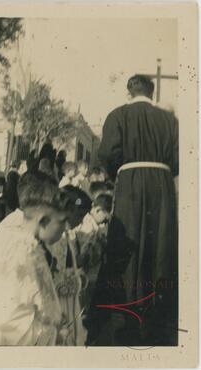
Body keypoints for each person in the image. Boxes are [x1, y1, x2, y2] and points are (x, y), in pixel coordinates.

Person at [96, 74, 179, 346]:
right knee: (160, 246)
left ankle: (126, 317)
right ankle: (158, 317)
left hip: (130, 184)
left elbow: (108, 153)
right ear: (152, 93)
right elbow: (179, 158)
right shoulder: (169, 120)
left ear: (129, 92)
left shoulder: (117, 115)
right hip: (162, 187)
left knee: (127, 245)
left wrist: (117, 172)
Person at [0, 172, 70, 346]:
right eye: (62, 222)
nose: (65, 229)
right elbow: (14, 321)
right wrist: (55, 332)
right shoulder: (22, 251)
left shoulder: (23, 241)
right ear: (43, 220)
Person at [48, 185, 92, 345]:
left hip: (69, 299)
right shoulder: (55, 237)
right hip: (59, 301)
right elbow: (52, 274)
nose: (81, 221)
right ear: (68, 211)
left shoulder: (69, 234)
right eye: (79, 215)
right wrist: (72, 280)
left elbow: (70, 263)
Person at [75, 194, 112, 311]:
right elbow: (87, 255)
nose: (105, 223)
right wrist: (102, 241)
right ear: (98, 210)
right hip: (87, 272)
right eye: (105, 219)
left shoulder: (94, 224)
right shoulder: (88, 225)